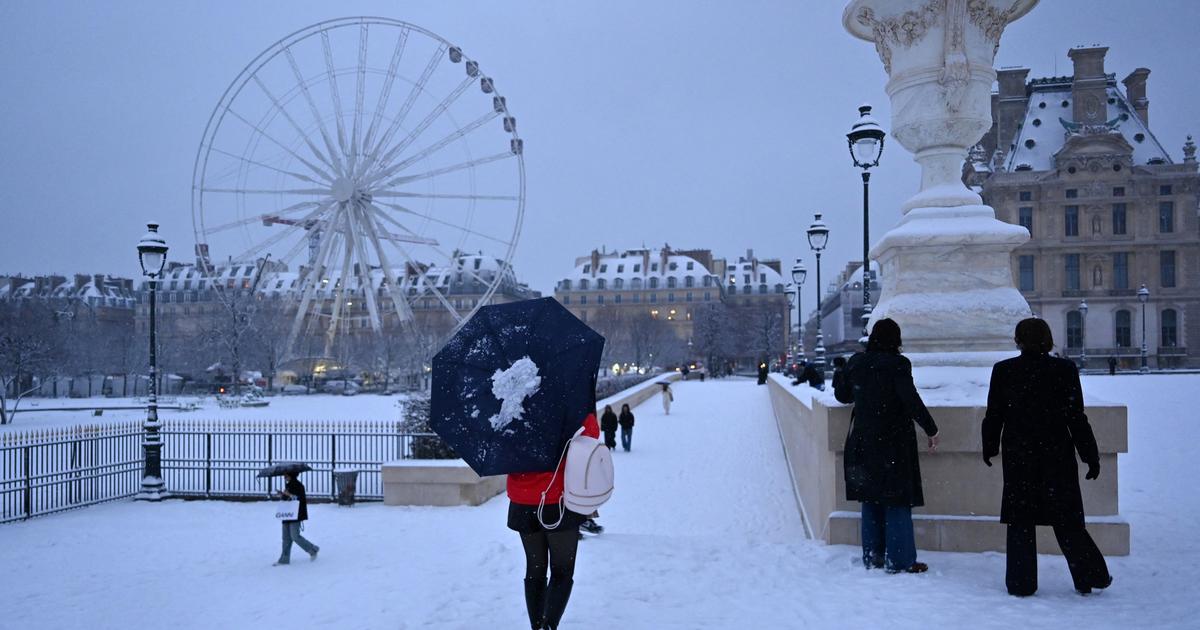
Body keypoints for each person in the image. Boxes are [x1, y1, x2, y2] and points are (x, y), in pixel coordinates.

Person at [983, 318, 1113, 597]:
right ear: (1048, 339)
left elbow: (994, 415)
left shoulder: (1004, 371)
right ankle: (1090, 575)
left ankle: (1021, 582)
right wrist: (1090, 455)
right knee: (1067, 520)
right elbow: (1076, 417)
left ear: (1018, 340)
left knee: (1020, 522)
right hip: (1056, 454)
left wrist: (990, 446)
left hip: (1019, 456)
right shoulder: (1064, 370)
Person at [833, 318, 938, 574]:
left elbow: (843, 395)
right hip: (893, 442)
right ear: (896, 340)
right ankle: (900, 560)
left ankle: (873, 555)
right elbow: (910, 399)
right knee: (897, 500)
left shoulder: (857, 362)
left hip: (863, 441)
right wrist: (931, 428)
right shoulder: (898, 364)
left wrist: (843, 374)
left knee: (870, 498)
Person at [508, 413, 600, 630]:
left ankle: (537, 625)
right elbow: (591, 436)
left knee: (535, 568)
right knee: (562, 571)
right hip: (555, 500)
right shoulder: (567, 404)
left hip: (522, 500)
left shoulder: (514, 407)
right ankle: (548, 626)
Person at [274, 471, 319, 566]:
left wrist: (289, 494)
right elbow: (287, 500)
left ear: (291, 475)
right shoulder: (288, 485)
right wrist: (282, 495)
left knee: (295, 536)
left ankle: (313, 549)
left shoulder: (299, 486)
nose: (284, 476)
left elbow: (299, 499)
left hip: (296, 515)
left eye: (286, 475)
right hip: (286, 514)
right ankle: (284, 559)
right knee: (285, 538)